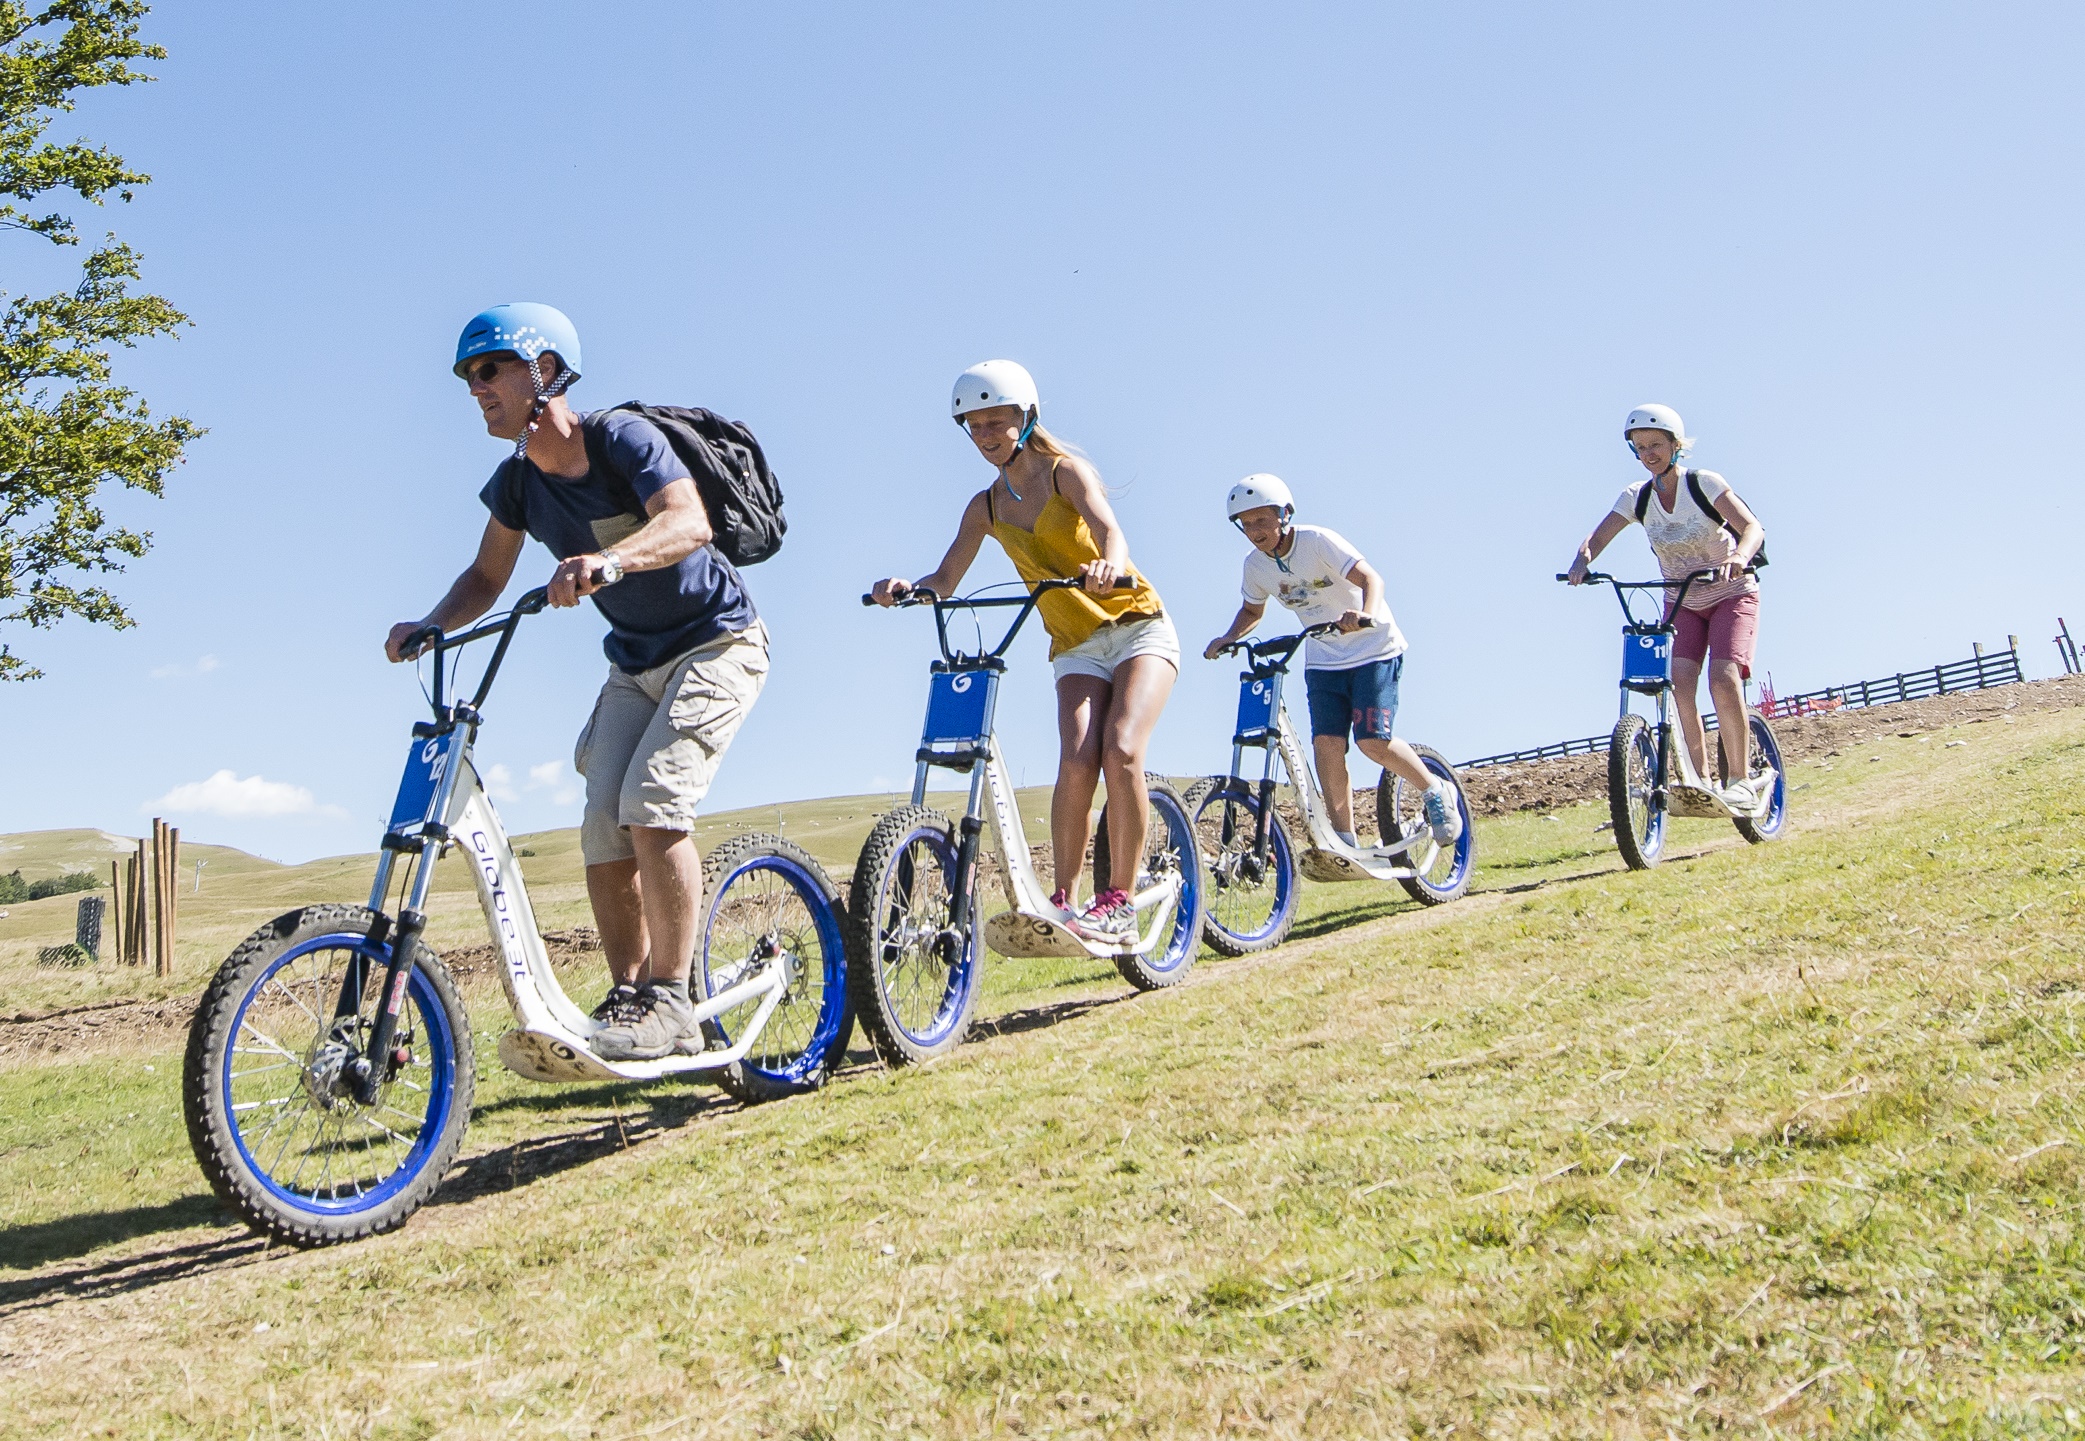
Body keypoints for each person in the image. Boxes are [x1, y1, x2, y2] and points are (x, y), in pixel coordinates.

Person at [385, 303, 769, 1060]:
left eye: (489, 368)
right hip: (634, 660)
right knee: (602, 817)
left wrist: (611, 561)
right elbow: (485, 576)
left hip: (717, 642)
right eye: (468, 375)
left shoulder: (622, 438)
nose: (476, 387)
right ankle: (630, 997)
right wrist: (432, 623)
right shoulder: (518, 483)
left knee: (653, 800)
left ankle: (671, 999)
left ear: (546, 371)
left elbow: (688, 521)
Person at [869, 360, 1180, 941]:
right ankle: (1064, 901)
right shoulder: (984, 507)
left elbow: (1110, 530)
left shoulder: (1067, 474)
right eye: (975, 426)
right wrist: (905, 590)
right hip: (1075, 641)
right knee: (1077, 757)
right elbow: (946, 578)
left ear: (1026, 415)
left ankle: (1119, 898)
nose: (986, 435)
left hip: (1136, 625)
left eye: (997, 422)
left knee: (1120, 746)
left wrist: (1108, 563)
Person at [1202, 475, 1461, 850]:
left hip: (1373, 648)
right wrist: (1229, 637)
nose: (1253, 530)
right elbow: (1251, 609)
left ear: (1284, 515)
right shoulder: (1255, 566)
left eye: (1261, 520)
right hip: (1324, 658)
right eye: (1245, 523)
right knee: (1326, 744)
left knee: (1372, 742)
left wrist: (1365, 613)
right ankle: (1344, 840)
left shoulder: (1317, 542)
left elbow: (1372, 579)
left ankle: (1436, 791)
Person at [1566, 404, 1766, 801]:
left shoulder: (1703, 484)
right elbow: (1600, 536)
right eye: (1640, 447)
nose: (1649, 454)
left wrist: (1738, 557)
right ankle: (1700, 780)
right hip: (1682, 603)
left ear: (1676, 445)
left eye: (1656, 444)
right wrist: (1582, 561)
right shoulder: (1636, 497)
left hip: (1732, 594)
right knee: (1679, 687)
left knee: (1723, 679)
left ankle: (1741, 781)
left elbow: (1751, 528)